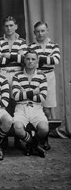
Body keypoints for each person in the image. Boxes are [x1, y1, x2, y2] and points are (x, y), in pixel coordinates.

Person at [0, 16, 28, 149]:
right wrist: (16, 56)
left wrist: (7, 55)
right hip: (2, 72)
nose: (9, 28)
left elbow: (24, 60)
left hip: (17, 73)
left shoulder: (22, 42)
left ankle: (18, 138)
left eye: (11, 25)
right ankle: (4, 137)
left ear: (16, 26)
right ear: (4, 27)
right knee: (3, 104)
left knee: (17, 104)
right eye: (6, 25)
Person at [28, 21, 61, 150]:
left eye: (43, 31)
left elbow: (56, 60)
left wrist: (37, 58)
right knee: (35, 108)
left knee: (47, 110)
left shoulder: (53, 45)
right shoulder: (31, 46)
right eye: (37, 31)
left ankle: (44, 139)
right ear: (34, 32)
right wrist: (43, 58)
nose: (40, 34)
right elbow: (29, 61)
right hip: (35, 77)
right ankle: (34, 139)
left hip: (49, 76)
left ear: (47, 30)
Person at [12, 49, 48, 158]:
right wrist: (34, 92)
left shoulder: (42, 76)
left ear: (37, 61)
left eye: (33, 59)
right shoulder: (17, 76)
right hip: (21, 107)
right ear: (24, 60)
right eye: (28, 59)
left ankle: (30, 145)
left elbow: (42, 97)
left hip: (36, 108)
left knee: (44, 128)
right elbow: (16, 96)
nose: (30, 61)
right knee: (18, 128)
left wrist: (25, 93)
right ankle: (34, 145)